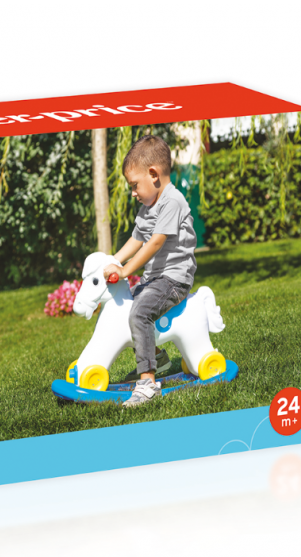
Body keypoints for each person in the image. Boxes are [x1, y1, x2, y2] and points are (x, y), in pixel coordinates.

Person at [103, 135, 197, 407]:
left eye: (135, 185)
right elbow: (136, 238)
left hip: (174, 279)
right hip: (155, 279)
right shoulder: (148, 205)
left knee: (141, 312)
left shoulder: (172, 201)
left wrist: (125, 271)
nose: (133, 192)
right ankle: (158, 357)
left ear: (153, 174)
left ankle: (147, 384)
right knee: (124, 307)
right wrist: (112, 260)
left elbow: (154, 242)